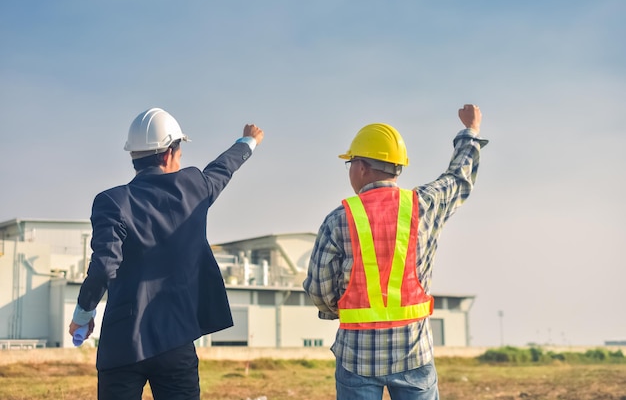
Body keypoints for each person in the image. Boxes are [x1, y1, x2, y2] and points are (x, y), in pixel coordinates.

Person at [68, 107, 264, 400]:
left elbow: (102, 268)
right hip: (176, 339)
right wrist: (247, 142)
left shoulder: (111, 202)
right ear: (169, 153)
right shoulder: (194, 187)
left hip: (123, 342)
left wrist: (84, 313)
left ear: (134, 154)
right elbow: (222, 168)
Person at [303, 104, 487, 400]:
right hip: (414, 353)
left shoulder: (339, 219)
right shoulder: (424, 205)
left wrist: (340, 310)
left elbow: (318, 288)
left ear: (361, 167)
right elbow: (459, 179)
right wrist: (470, 130)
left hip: (357, 356)